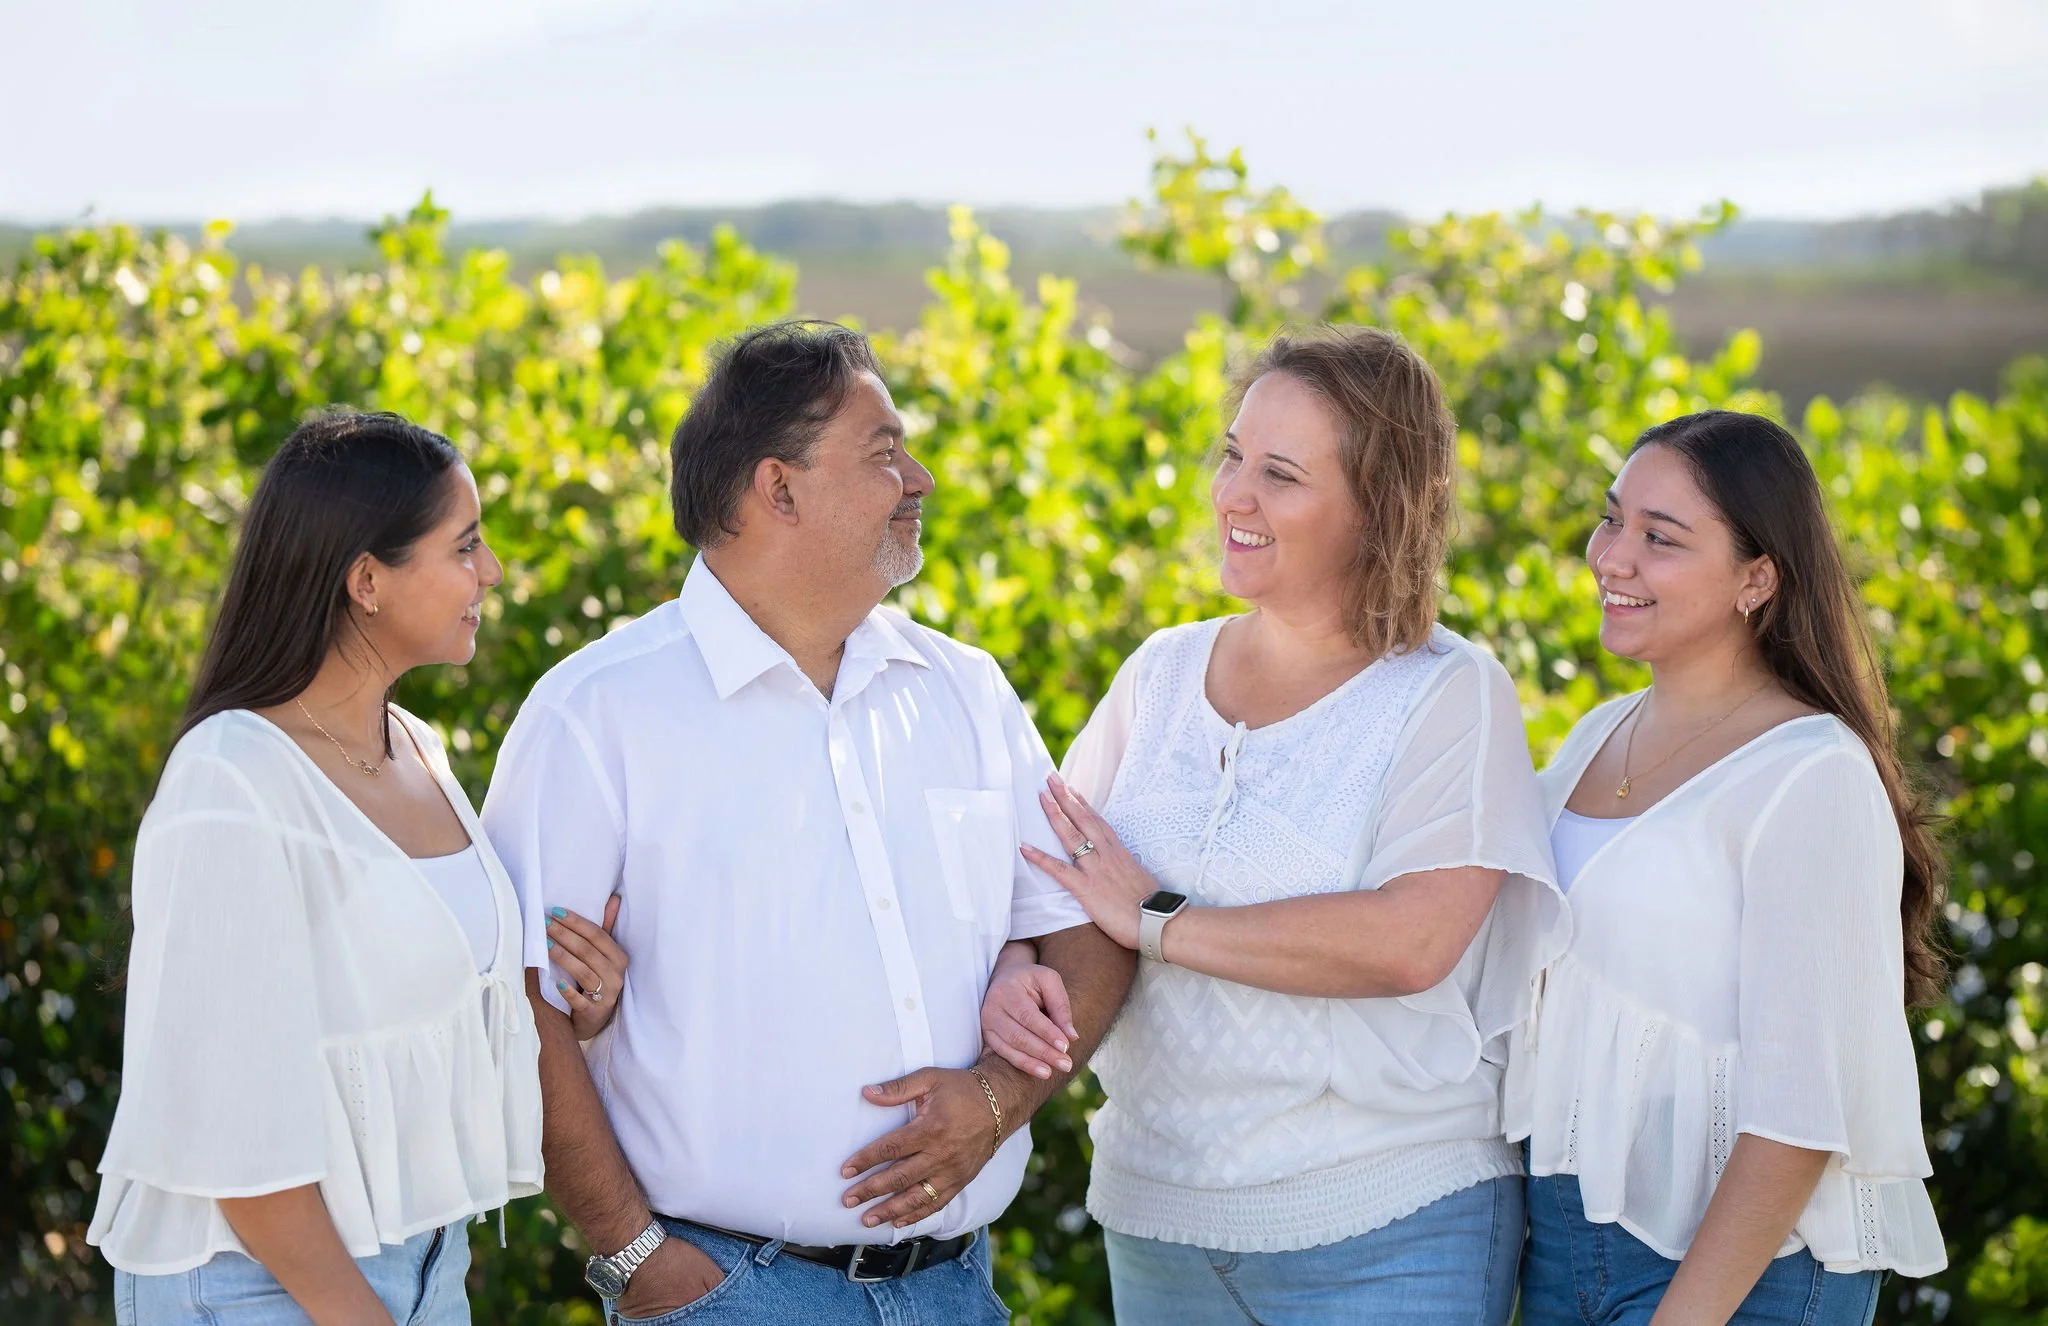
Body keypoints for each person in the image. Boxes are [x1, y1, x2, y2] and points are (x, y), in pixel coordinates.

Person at [481, 320, 1135, 1325]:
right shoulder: (594, 713)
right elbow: (516, 1007)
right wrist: (632, 1255)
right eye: (884, 453)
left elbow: (1085, 927)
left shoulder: (964, 689)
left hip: (959, 1290)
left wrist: (998, 1098)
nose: (918, 479)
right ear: (778, 489)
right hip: (727, 1296)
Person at [982, 326, 1567, 1324]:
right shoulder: (1161, 673)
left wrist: (1158, 919)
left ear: (1377, 507)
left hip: (1388, 1227)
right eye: (1232, 456)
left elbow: (1410, 941)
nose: (1232, 497)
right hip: (1157, 1223)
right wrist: (1010, 968)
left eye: (1281, 475)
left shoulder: (1449, 693)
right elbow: (1046, 881)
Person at [87, 411, 627, 1324]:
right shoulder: (231, 779)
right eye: (466, 546)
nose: (493, 572)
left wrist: (580, 1019)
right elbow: (233, 1136)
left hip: (427, 1264)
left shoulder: (415, 747)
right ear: (367, 580)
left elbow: (408, 1019)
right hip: (256, 1280)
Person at [1505, 410, 1949, 1325]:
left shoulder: (1812, 773)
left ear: (1757, 578)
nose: (1612, 557)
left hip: (1747, 1273)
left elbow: (1801, 1111)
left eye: (1661, 538)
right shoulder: (1595, 735)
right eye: (1612, 519)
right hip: (1566, 1242)